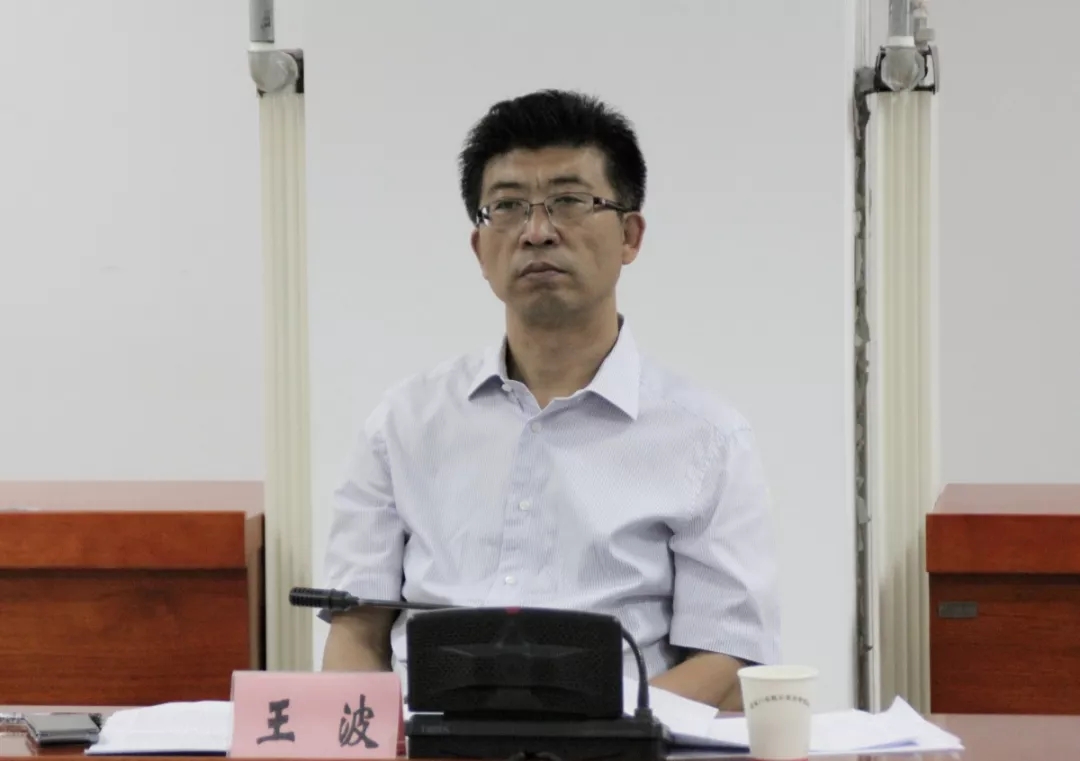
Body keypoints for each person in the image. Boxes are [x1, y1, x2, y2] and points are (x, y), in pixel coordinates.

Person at [319, 89, 780, 710]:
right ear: (480, 250)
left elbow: (727, 658)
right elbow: (355, 632)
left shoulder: (707, 439)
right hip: (433, 742)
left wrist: (602, 738)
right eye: (507, 207)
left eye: (569, 202)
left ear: (630, 236)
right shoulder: (401, 424)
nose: (537, 232)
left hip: (625, 744)